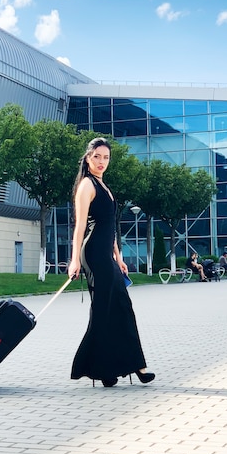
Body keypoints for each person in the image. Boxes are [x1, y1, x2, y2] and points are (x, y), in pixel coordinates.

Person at [67, 137, 155, 388]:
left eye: (106, 157)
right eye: (97, 156)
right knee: (107, 309)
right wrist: (74, 261)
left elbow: (110, 227)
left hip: (106, 255)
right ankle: (117, 367)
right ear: (88, 158)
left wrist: (119, 258)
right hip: (93, 254)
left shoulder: (104, 186)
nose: (102, 161)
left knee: (119, 308)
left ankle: (112, 370)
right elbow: (81, 226)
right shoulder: (86, 185)